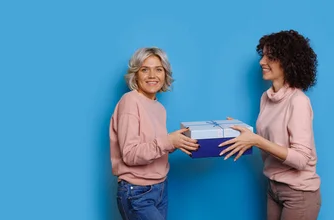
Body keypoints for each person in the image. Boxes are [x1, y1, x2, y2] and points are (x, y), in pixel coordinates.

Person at [219, 30, 321, 220]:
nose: (262, 62)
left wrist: (256, 140)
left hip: (298, 193)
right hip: (273, 187)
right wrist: (243, 130)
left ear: (288, 62)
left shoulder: (298, 101)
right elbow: (271, 135)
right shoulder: (266, 97)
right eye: (263, 55)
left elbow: (300, 160)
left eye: (270, 57)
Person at [109, 47, 199, 220]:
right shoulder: (130, 101)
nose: (152, 75)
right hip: (138, 192)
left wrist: (177, 142)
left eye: (158, 69)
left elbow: (153, 145)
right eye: (145, 69)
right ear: (136, 74)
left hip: (160, 188)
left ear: (165, 74)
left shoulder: (159, 108)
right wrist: (168, 141)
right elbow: (130, 154)